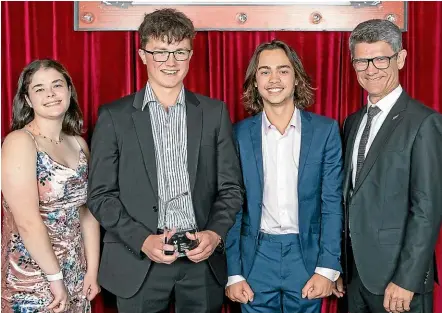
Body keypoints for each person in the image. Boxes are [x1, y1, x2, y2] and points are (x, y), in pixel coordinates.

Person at [87, 8, 244, 313]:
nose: (170, 62)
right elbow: (100, 196)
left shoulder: (214, 113)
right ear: (143, 54)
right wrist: (142, 240)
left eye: (179, 52)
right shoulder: (114, 117)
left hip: (201, 263)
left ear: (190, 54)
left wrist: (214, 233)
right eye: (160, 52)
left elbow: (231, 188)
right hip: (138, 261)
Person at [225, 40, 343, 313]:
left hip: (306, 254)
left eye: (283, 70)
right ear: (255, 81)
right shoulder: (238, 134)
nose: (274, 79)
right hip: (255, 255)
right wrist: (234, 272)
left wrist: (327, 268)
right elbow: (232, 206)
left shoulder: (325, 131)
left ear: (297, 78)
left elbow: (332, 203)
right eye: (265, 71)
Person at [335, 19, 442, 313]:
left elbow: (427, 210)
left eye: (380, 58)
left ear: (401, 58)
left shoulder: (424, 122)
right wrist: (340, 267)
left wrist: (407, 280)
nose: (371, 69)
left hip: (398, 282)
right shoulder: (353, 122)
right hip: (355, 278)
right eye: (362, 61)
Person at [1, 59, 101, 313]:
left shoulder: (78, 144)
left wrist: (92, 271)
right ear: (27, 98)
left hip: (75, 271)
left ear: (69, 90)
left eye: (57, 85)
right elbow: (27, 221)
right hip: (33, 275)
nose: (51, 94)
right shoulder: (20, 142)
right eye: (39, 89)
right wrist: (55, 279)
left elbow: (87, 213)